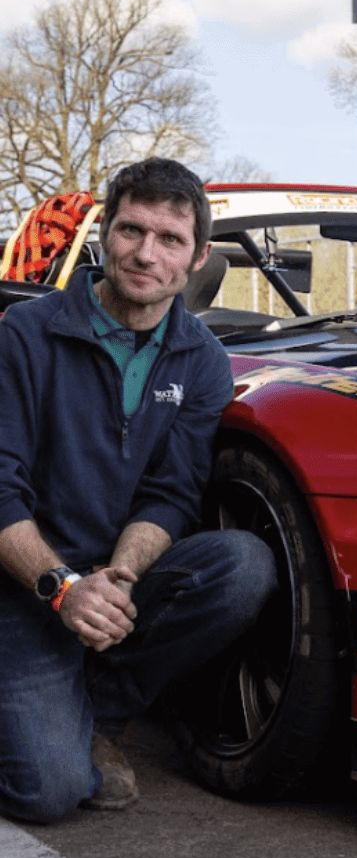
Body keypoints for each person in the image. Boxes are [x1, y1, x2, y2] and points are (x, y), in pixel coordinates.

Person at [0, 157, 278, 823]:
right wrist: (62, 588)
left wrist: (121, 576)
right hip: (23, 583)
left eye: (169, 239)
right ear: (105, 233)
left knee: (242, 566)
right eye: (132, 231)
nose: (145, 254)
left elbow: (171, 493)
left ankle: (100, 709)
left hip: (109, 580)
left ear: (198, 257)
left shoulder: (203, 359)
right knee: (50, 792)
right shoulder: (24, 336)